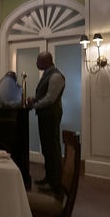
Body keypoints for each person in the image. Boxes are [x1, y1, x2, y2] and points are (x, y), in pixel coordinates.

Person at [27, 52, 65, 196]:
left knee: (52, 149)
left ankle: (55, 182)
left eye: (38, 61)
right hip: (45, 116)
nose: (36, 63)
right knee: (46, 148)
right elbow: (44, 95)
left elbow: (50, 99)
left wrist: (34, 105)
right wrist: (35, 99)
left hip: (51, 116)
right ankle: (48, 178)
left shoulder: (56, 76)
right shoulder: (47, 74)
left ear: (46, 61)